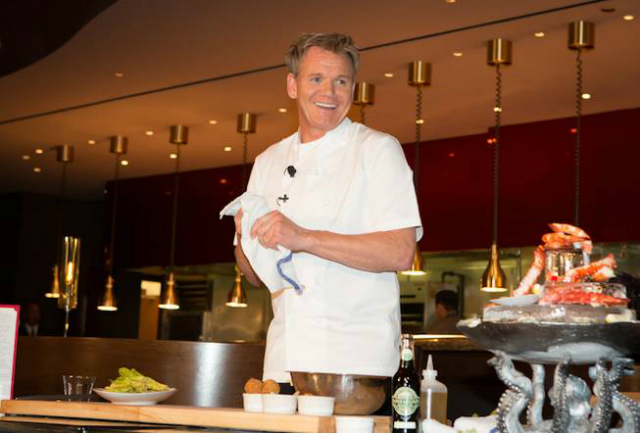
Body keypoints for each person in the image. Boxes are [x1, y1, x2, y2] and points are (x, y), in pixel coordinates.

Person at [234, 33, 422, 386]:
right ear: (292, 85)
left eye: (341, 81)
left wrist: (302, 237)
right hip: (284, 362)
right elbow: (256, 277)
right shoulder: (267, 161)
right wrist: (244, 241)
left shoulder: (378, 150)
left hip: (358, 362)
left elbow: (400, 251)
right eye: (316, 79)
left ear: (353, 89)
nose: (329, 92)